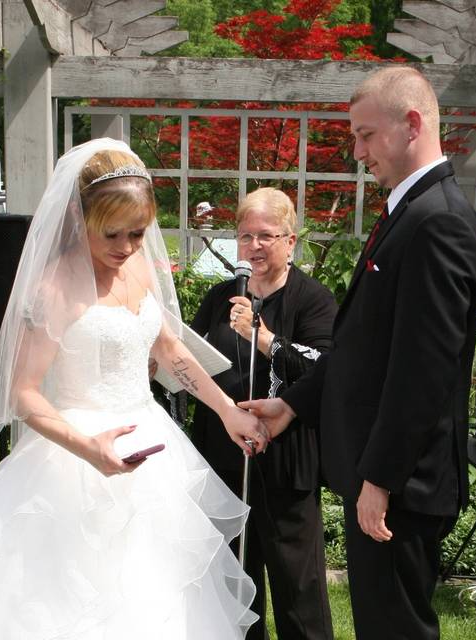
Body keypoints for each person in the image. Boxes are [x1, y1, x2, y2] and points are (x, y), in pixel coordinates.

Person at [0, 138, 268, 639]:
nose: (126, 247)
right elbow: (24, 393)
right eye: (111, 233)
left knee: (153, 591)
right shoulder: (54, 288)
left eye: (137, 233)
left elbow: (170, 348)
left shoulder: (140, 270)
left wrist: (227, 410)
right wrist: (87, 447)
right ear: (78, 216)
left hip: (150, 449)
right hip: (73, 457)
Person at [242, 66, 476, 639]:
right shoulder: (409, 211)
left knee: (395, 629)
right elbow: (362, 347)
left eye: (366, 134)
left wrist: (380, 479)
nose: (356, 151)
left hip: (399, 484)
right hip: (381, 476)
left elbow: (423, 373)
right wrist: (295, 404)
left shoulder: (439, 222)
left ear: (411, 124)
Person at [190, 187, 337, 640]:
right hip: (224, 456)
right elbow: (192, 358)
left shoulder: (313, 299)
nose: (253, 246)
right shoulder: (221, 297)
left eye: (266, 236)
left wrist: (262, 335)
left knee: (298, 586)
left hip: (285, 460)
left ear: (290, 241)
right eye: (245, 235)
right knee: (233, 583)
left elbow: (324, 368)